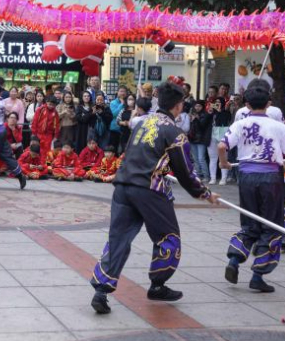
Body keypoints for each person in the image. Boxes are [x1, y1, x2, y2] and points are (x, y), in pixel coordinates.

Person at [90, 82, 219, 315]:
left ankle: (101, 290)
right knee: (168, 237)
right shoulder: (175, 133)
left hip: (123, 185)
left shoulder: (141, 123)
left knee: (118, 238)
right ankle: (158, 284)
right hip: (149, 189)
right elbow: (186, 173)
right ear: (179, 106)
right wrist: (205, 193)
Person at [219, 80, 285, 293]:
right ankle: (258, 275)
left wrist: (224, 163)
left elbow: (222, 145)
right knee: (271, 225)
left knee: (249, 222)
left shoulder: (239, 124)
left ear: (247, 105)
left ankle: (234, 260)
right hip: (270, 179)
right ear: (268, 103)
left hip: (246, 177)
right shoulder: (279, 127)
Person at [208, 97, 232, 185]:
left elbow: (227, 119)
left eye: (219, 102)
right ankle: (213, 178)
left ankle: (223, 178)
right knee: (213, 158)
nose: (217, 104)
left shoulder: (226, 112)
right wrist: (210, 112)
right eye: (216, 102)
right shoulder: (211, 112)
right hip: (212, 135)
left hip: (223, 133)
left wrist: (223, 110)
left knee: (224, 158)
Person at [188, 100, 212, 183]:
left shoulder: (205, 114)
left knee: (201, 158)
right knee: (195, 159)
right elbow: (190, 127)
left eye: (199, 106)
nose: (197, 108)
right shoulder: (192, 114)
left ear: (203, 107)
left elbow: (202, 127)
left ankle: (206, 176)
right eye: (196, 106)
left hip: (201, 139)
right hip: (192, 139)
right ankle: (198, 175)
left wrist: (196, 119)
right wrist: (191, 120)